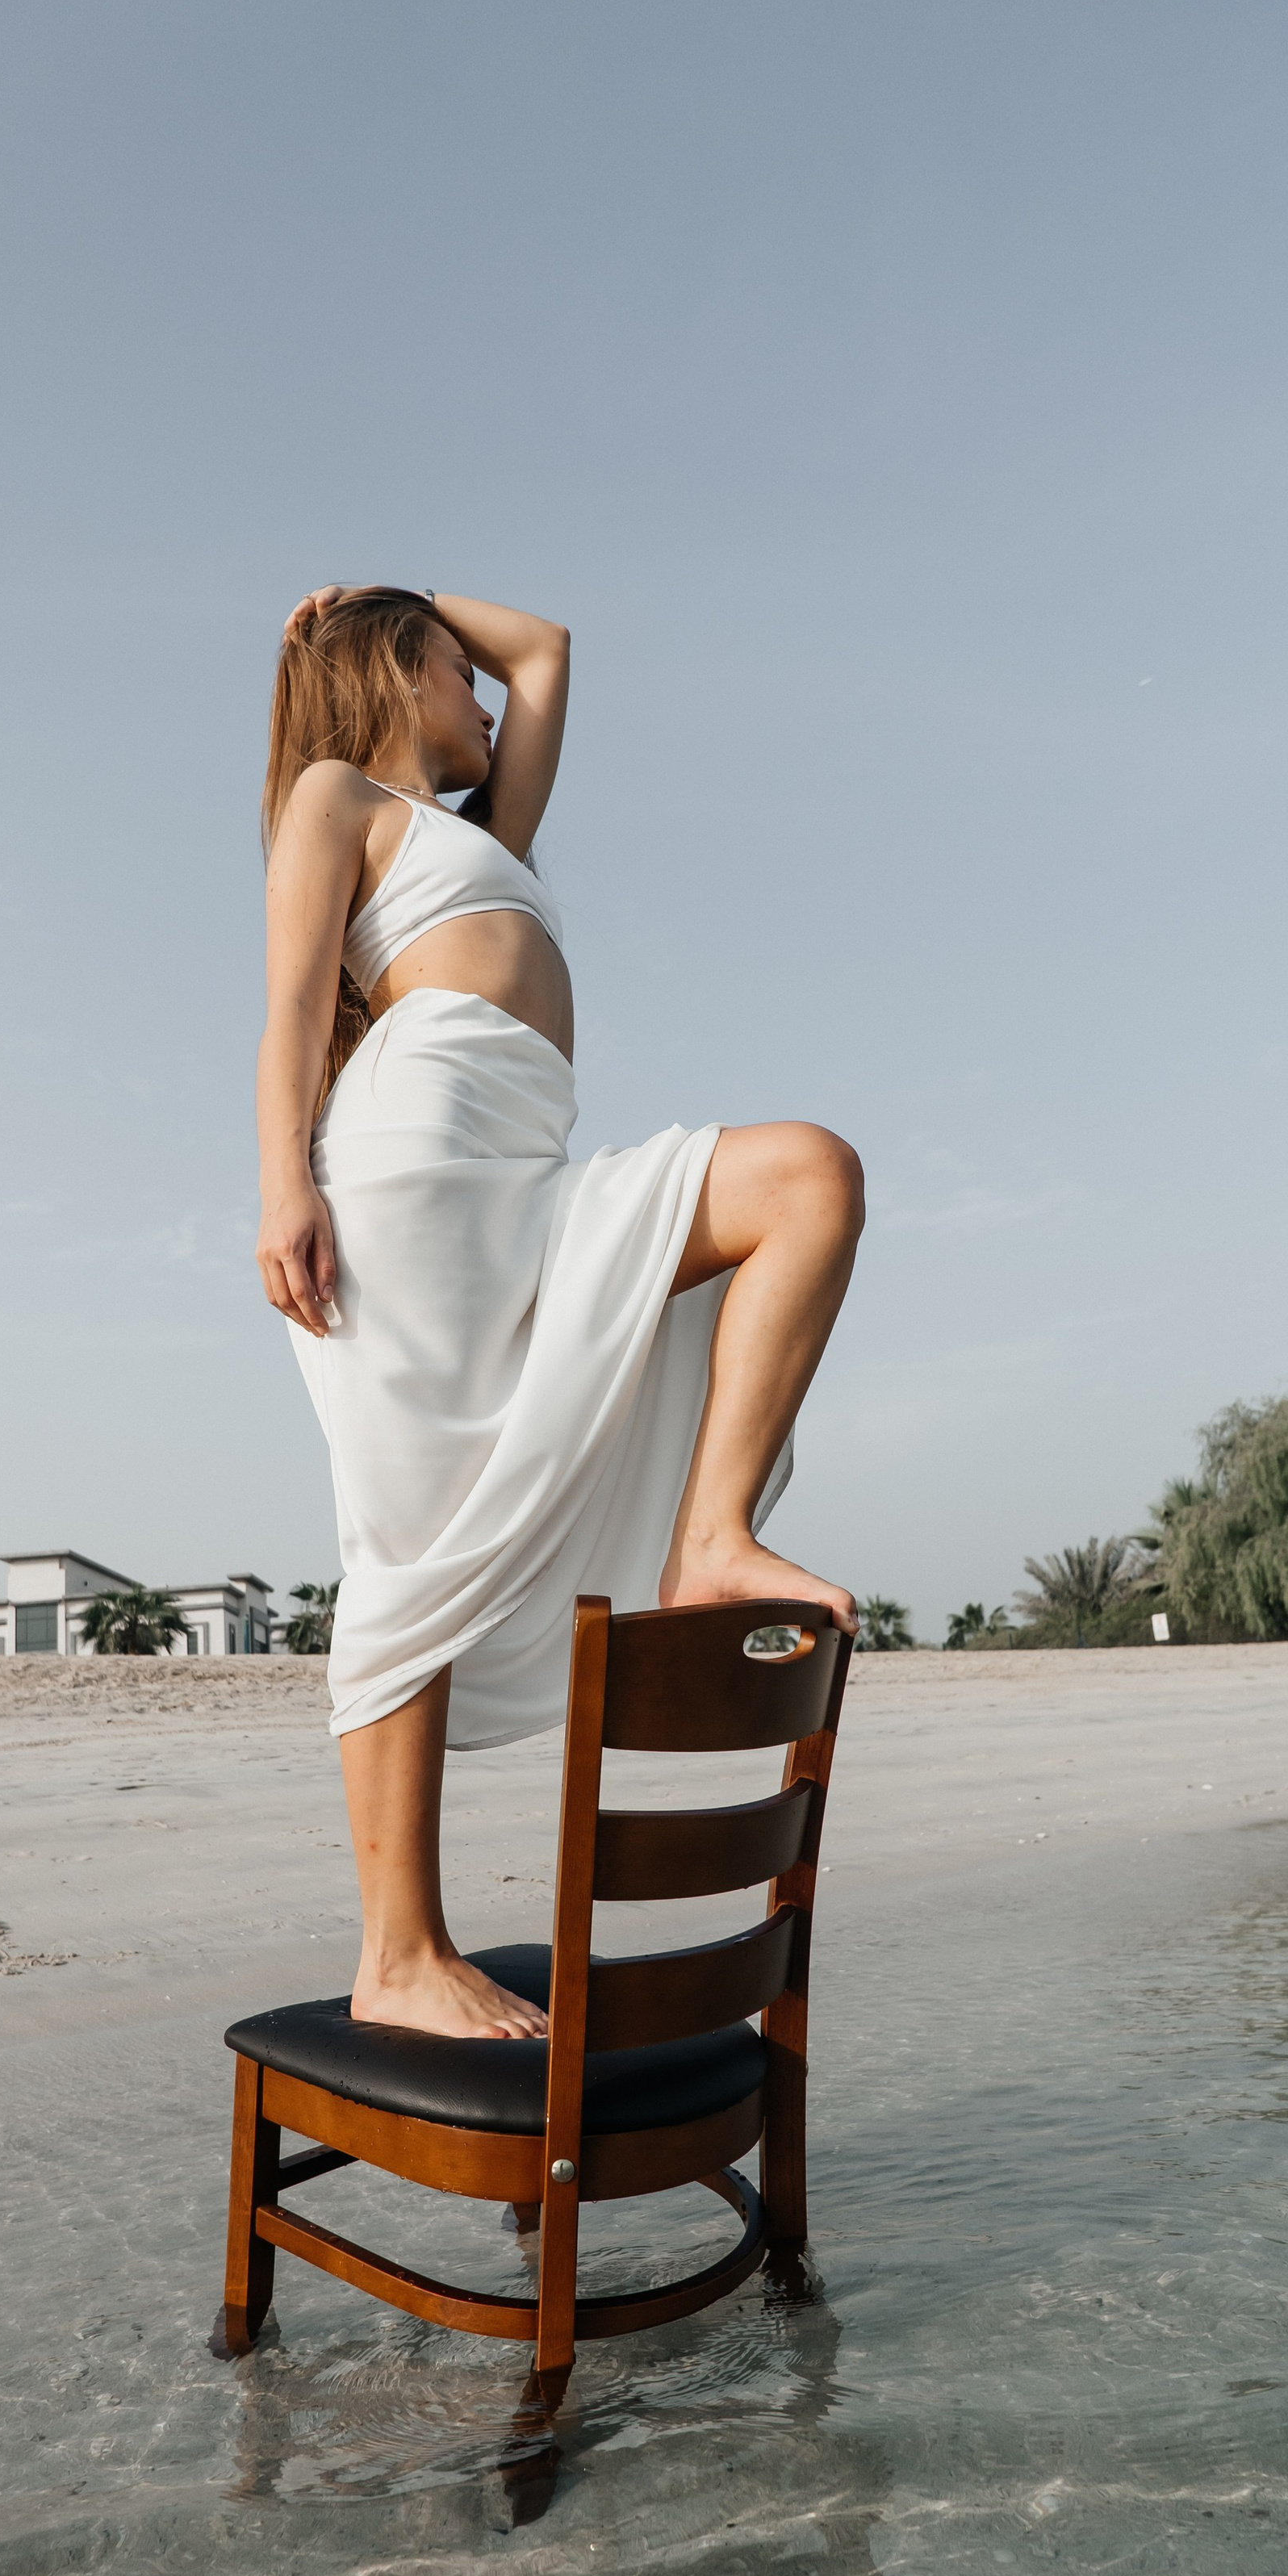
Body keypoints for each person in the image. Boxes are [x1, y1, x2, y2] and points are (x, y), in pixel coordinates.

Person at [255, 587, 864, 2042]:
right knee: (407, 1543)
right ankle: (399, 1951)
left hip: (536, 1182)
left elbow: (550, 650)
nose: (483, 700)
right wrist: (284, 1184)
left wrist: (392, 592)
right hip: (407, 1175)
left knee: (806, 1179)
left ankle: (711, 1537)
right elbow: (287, 1007)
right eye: (453, 675)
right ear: (398, 675)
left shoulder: (484, 845)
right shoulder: (337, 796)